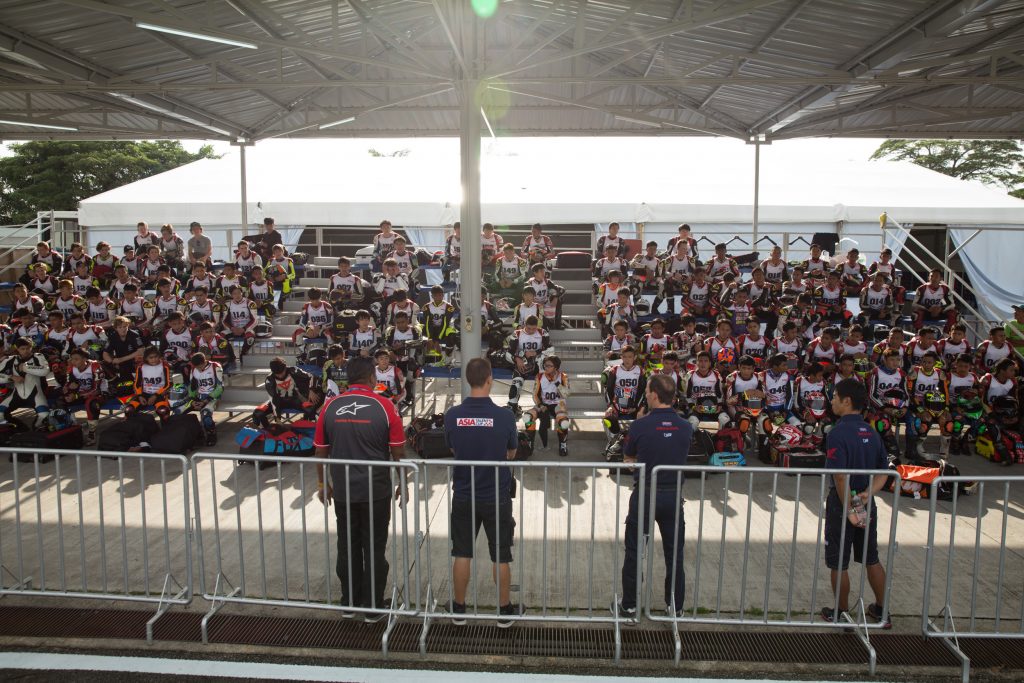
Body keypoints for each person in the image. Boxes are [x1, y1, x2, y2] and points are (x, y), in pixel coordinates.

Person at [315, 356, 406, 621]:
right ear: (372, 378)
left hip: (342, 491)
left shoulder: (330, 406)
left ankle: (349, 602)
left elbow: (320, 453)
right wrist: (404, 483)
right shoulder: (386, 406)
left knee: (347, 545)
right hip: (376, 490)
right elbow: (398, 452)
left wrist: (322, 484)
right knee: (375, 548)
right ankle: (373, 607)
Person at [443, 357, 523, 627]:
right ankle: (504, 611)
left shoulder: (453, 415)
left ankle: (459, 609)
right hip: (496, 495)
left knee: (462, 552)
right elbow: (511, 452)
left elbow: (453, 449)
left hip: (464, 493)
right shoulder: (504, 416)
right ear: (489, 379)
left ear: (468, 380)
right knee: (500, 554)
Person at [616, 374, 692, 618]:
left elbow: (629, 460)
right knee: (674, 554)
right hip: (673, 497)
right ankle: (675, 607)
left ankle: (629, 606)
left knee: (635, 552)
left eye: (647, 391)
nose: (646, 394)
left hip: (645, 495)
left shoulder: (640, 425)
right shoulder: (685, 426)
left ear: (655, 395)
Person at [822, 378, 891, 628]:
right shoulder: (872, 432)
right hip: (865, 501)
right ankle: (882, 611)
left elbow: (840, 477)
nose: (832, 401)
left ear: (847, 401)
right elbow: (885, 472)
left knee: (839, 562)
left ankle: (840, 612)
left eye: (835, 396)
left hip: (843, 504)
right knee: (871, 557)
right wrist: (866, 495)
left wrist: (851, 505)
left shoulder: (837, 432)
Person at [252, 357, 319, 429]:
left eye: (282, 372)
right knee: (258, 412)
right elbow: (273, 398)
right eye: (277, 374)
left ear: (285, 367)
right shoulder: (269, 379)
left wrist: (311, 390)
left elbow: (311, 376)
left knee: (311, 409)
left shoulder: (294, 370)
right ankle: (267, 431)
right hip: (278, 401)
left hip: (295, 399)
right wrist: (277, 417)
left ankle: (308, 430)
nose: (280, 375)